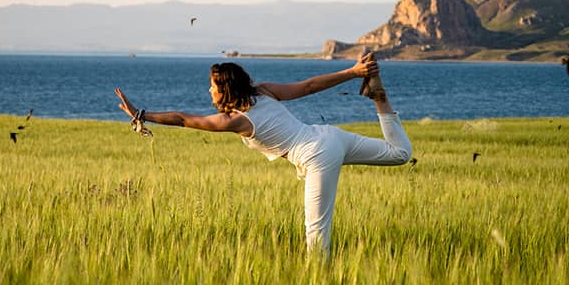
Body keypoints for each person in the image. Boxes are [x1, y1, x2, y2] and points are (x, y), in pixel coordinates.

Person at [114, 52, 412, 255]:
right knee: (399, 153)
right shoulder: (263, 91)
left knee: (317, 233)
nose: (209, 92)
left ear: (225, 89)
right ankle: (379, 96)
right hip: (328, 136)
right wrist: (354, 72)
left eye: (212, 86)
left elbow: (182, 119)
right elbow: (308, 87)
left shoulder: (237, 121)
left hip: (316, 155)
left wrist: (141, 113)